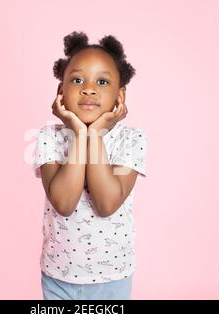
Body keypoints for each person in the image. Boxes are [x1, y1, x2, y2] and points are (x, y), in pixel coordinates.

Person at [32, 31, 148, 300]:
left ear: (120, 96)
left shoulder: (130, 140)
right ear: (61, 91)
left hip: (113, 276)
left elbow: (107, 204)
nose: (89, 88)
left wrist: (95, 134)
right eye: (77, 79)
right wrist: (79, 134)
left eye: (102, 81)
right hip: (58, 274)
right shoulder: (49, 137)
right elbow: (64, 202)